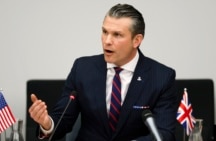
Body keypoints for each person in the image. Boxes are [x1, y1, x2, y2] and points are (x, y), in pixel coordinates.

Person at [29, 3, 177, 141]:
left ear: (136, 40)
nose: (107, 41)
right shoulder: (83, 69)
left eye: (117, 35)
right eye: (105, 32)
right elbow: (64, 119)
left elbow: (164, 133)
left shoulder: (161, 77)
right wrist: (47, 124)